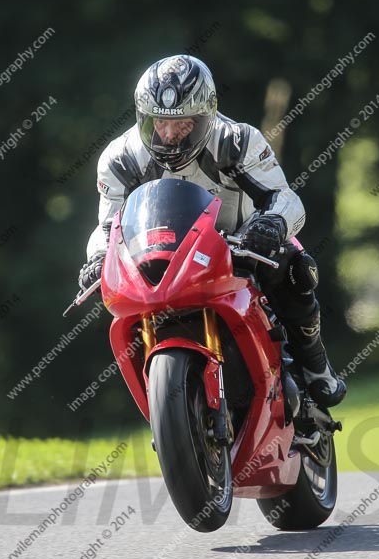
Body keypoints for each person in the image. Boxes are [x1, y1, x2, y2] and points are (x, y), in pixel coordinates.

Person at [79, 55, 346, 407]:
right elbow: (107, 226)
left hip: (241, 246)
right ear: (143, 117)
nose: (170, 134)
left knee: (297, 266)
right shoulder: (120, 158)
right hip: (161, 259)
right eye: (159, 123)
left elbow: (285, 198)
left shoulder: (237, 141)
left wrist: (271, 224)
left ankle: (315, 366)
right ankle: (169, 402)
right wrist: (98, 258)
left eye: (184, 124)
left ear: (206, 117)